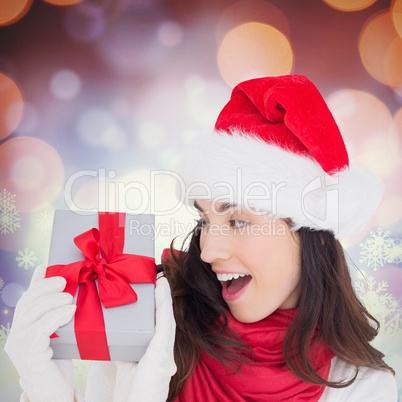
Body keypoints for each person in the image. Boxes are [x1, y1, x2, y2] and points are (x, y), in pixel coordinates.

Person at [5, 75, 398, 401]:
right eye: (205, 220)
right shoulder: (147, 338)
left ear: (315, 234)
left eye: (238, 222)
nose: (208, 251)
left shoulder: (363, 389)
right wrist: (45, 388)